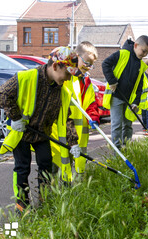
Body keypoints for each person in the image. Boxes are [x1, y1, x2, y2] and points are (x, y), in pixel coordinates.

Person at [0, 47, 81, 213]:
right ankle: (22, 204)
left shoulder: (63, 92)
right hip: (22, 132)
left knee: (46, 165)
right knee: (22, 168)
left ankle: (45, 201)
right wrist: (15, 117)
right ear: (56, 66)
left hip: (42, 134)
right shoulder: (26, 77)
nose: (68, 78)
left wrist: (73, 143)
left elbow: (67, 118)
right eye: (67, 74)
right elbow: (3, 93)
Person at [50, 42, 99, 182]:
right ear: (76, 57)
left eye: (91, 65)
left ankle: (67, 191)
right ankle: (49, 194)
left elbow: (90, 102)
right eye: (86, 62)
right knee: (55, 162)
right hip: (59, 130)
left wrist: (93, 117)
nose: (88, 67)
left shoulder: (85, 80)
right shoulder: (65, 76)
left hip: (77, 133)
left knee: (70, 161)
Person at [102, 35, 148, 149]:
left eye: (147, 53)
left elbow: (139, 86)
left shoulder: (141, 65)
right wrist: (112, 81)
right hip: (116, 96)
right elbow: (105, 64)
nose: (144, 55)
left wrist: (136, 102)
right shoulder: (122, 54)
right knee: (117, 125)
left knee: (128, 125)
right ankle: (118, 152)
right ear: (136, 45)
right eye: (143, 51)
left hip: (130, 101)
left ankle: (127, 148)